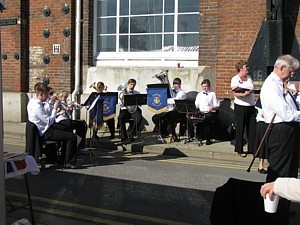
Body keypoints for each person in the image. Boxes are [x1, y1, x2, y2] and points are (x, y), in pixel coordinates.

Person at [260, 54, 300, 183]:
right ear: (282, 67)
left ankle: (283, 202)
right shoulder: (271, 85)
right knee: (279, 175)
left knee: (290, 174)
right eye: (290, 71)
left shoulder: (280, 84)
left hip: (288, 131)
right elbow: (286, 113)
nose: (291, 75)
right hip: (281, 132)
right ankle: (273, 203)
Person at [27, 82, 80, 169]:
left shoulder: (33, 101)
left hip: (46, 127)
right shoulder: (37, 107)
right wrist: (55, 109)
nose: (48, 96)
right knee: (72, 137)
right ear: (41, 94)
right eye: (47, 95)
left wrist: (51, 105)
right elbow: (49, 121)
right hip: (45, 132)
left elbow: (47, 115)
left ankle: (63, 159)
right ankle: (69, 162)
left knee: (68, 129)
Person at [230, 60, 256, 157]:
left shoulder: (249, 78)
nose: (248, 68)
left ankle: (252, 149)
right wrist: (244, 94)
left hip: (251, 105)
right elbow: (235, 92)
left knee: (252, 127)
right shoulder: (235, 79)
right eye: (246, 66)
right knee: (240, 128)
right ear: (241, 68)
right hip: (240, 106)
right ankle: (239, 149)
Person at [187, 79, 219, 145]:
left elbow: (217, 106)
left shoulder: (212, 94)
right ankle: (196, 137)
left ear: (209, 86)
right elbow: (196, 105)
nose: (204, 88)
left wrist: (212, 108)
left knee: (206, 119)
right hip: (201, 112)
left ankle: (208, 139)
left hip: (210, 113)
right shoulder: (199, 94)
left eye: (206, 86)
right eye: (203, 86)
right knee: (190, 118)